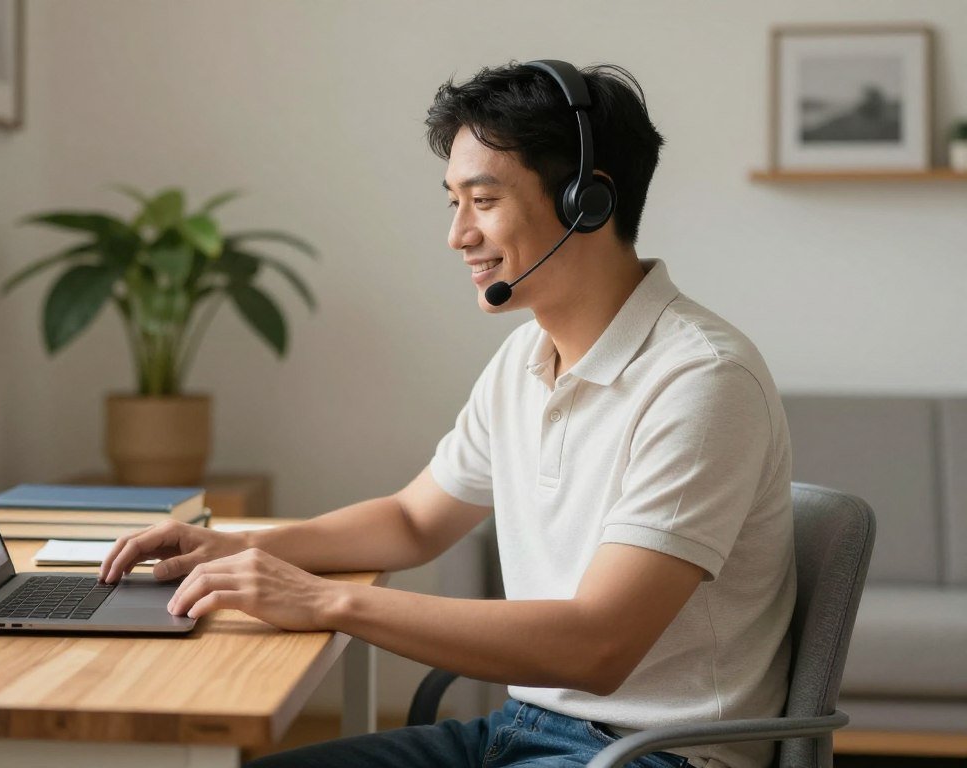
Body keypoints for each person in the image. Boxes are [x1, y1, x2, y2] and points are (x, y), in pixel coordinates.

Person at [99, 60, 795, 768]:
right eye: (453, 202)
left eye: (484, 200)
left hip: (655, 756)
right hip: (525, 730)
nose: (458, 235)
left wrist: (326, 602)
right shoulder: (526, 358)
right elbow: (413, 521)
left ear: (589, 201)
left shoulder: (701, 380)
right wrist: (246, 550)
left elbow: (598, 646)